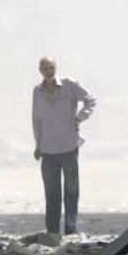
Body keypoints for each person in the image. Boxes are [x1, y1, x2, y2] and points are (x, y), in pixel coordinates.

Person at [32, 57, 96, 236]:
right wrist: (38, 144)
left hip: (68, 146)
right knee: (52, 194)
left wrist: (80, 117)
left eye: (51, 67)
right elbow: (36, 119)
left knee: (71, 191)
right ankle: (52, 231)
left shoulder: (69, 85)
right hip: (48, 149)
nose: (48, 71)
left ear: (55, 68)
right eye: (45, 68)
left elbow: (90, 100)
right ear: (40, 70)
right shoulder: (37, 91)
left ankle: (70, 229)